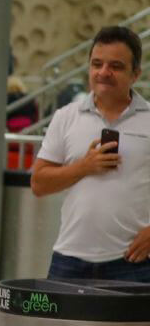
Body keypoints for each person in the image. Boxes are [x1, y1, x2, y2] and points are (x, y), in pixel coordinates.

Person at [32, 26, 150, 280]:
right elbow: (39, 183)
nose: (103, 73)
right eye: (97, 64)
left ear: (136, 74)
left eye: (116, 66)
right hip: (69, 261)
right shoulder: (66, 117)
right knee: (59, 321)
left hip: (133, 263)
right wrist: (84, 166)